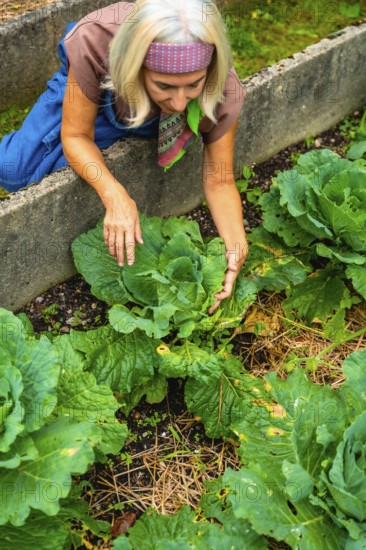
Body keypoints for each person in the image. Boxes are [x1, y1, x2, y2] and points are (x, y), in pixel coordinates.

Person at [0, 0, 248, 313]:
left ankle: (140, 121)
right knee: (13, 170)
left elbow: (220, 180)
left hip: (142, 108)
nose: (181, 102)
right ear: (137, 65)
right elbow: (76, 136)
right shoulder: (96, 41)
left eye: (193, 85)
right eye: (165, 86)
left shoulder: (224, 88)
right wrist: (115, 196)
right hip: (99, 90)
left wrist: (236, 244)